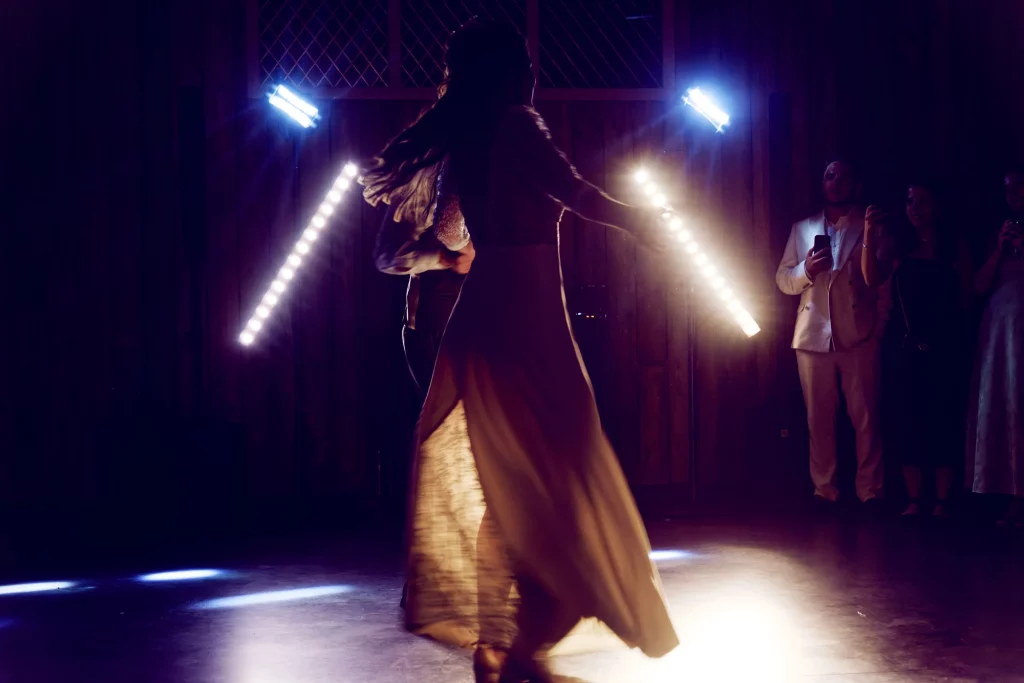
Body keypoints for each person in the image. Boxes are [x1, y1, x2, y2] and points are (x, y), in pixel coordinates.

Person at [361, 18, 678, 682]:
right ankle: (526, 635)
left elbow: (391, 252)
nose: (534, 73)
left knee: (514, 481)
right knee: (559, 473)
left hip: (484, 321)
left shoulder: (467, 138)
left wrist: (455, 254)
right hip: (526, 322)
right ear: (510, 71)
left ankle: (506, 637)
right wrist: (643, 222)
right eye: (526, 62)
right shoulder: (515, 125)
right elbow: (578, 194)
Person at [776, 160, 892, 510]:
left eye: (843, 176)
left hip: (859, 335)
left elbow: (883, 283)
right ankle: (823, 490)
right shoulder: (802, 228)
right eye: (829, 175)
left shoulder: (870, 224)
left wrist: (878, 331)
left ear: (854, 183)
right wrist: (807, 270)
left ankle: (870, 491)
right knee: (818, 420)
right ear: (822, 182)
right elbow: (783, 280)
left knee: (867, 418)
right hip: (812, 336)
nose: (836, 182)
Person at [882, 181, 972, 518]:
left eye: (922, 201)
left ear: (936, 206)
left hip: (946, 345)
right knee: (909, 419)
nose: (915, 208)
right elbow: (872, 277)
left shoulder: (953, 246)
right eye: (909, 201)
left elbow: (965, 297)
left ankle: (943, 500)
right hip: (906, 344)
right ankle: (915, 498)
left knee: (944, 420)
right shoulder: (899, 247)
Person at [965, 168, 1024, 526]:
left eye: (1019, 188)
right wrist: (1000, 251)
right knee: (1004, 405)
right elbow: (978, 285)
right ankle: (1006, 492)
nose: (1013, 194)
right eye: (1008, 190)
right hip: (999, 330)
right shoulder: (996, 234)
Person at [373, 205, 474, 399]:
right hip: (425, 326)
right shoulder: (422, 191)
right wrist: (445, 258)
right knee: (439, 414)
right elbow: (388, 256)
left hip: (455, 326)